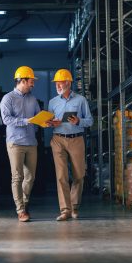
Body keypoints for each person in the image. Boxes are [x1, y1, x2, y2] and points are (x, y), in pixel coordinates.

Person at [47, 69, 93, 221]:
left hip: (76, 139)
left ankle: (75, 206)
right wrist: (51, 123)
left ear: (68, 82)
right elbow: (48, 121)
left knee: (79, 175)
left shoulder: (81, 100)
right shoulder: (52, 102)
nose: (57, 86)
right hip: (58, 139)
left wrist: (79, 121)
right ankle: (65, 210)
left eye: (60, 83)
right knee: (61, 176)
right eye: (56, 84)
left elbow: (90, 120)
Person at [0, 66, 41, 222]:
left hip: (31, 142)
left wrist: (47, 121)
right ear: (22, 81)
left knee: (30, 177)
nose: (33, 84)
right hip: (15, 143)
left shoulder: (33, 99)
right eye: (31, 81)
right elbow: (7, 120)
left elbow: (38, 117)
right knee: (17, 177)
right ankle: (20, 210)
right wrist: (26, 121)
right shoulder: (8, 99)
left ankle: (24, 202)